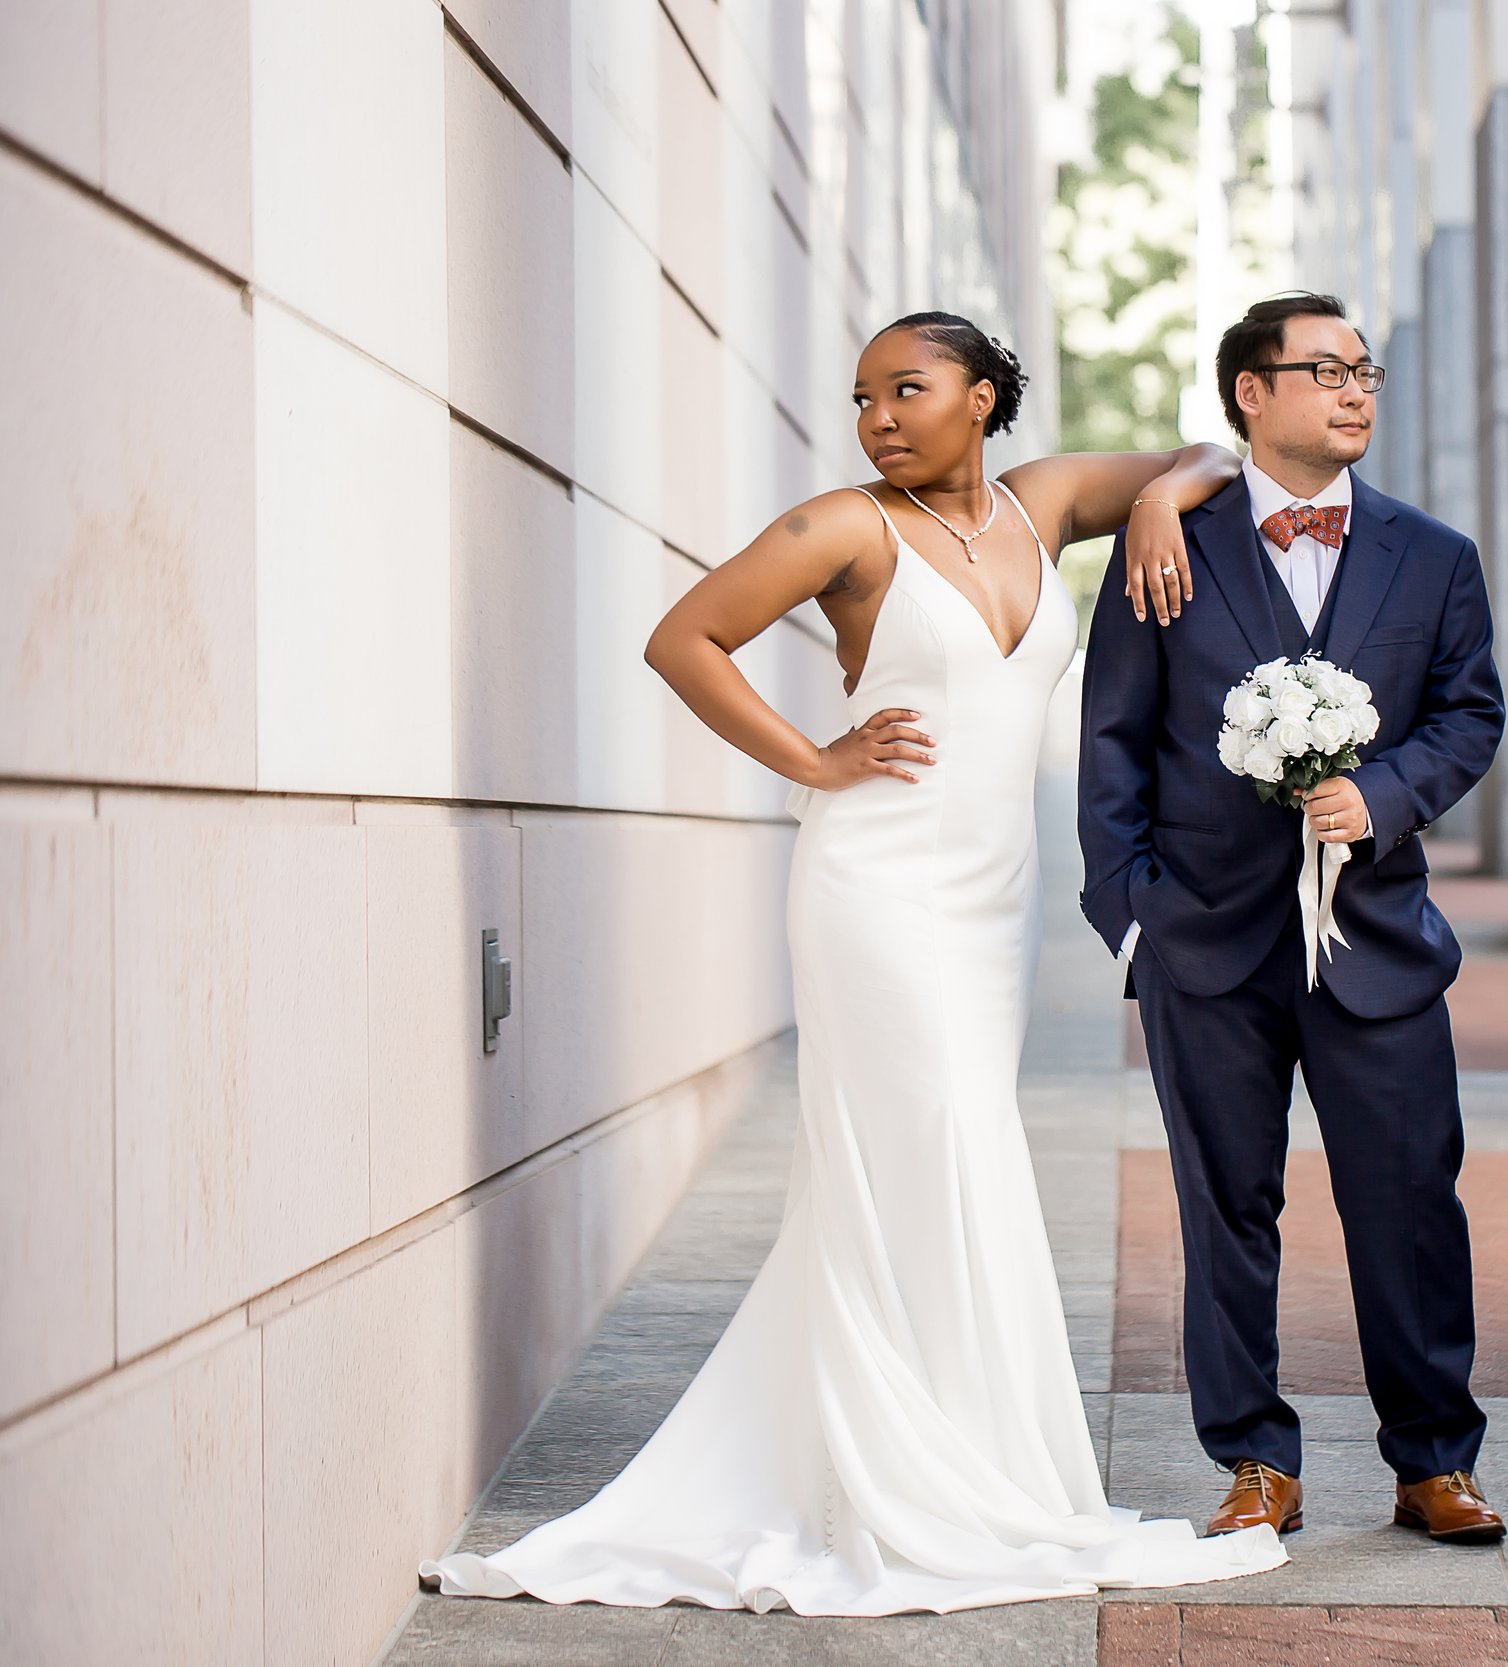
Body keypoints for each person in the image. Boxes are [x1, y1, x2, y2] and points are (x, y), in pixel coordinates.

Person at [419, 312, 1286, 1615]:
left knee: (943, 1153)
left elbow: (1212, 450)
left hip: (990, 893)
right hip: (875, 885)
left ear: (985, 396)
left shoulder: (1043, 502)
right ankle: (925, 1474)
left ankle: (954, 1448)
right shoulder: (844, 525)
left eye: (909, 388)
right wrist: (815, 759)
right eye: (866, 396)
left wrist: (1161, 498)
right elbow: (682, 638)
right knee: (939, 1144)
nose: (880, 415)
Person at [1077, 293, 1508, 1544]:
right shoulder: (1171, 544)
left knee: (1410, 1196)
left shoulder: (1434, 556)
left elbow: (1468, 716)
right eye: (1324, 369)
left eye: (1363, 369)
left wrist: (1379, 794)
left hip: (1374, 936)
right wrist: (1133, 914)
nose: (1355, 389)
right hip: (1203, 938)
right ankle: (1255, 1458)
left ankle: (1434, 1458)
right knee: (1225, 1204)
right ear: (1249, 394)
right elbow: (1112, 735)